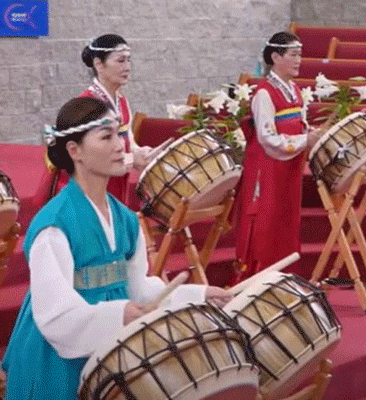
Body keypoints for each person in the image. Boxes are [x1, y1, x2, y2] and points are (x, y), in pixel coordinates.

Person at [2, 97, 232, 400]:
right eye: (106, 137)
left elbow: (137, 291)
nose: (119, 145)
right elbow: (55, 316)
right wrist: (120, 315)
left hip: (111, 349)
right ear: (75, 151)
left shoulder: (126, 220)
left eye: (119, 134)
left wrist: (197, 294)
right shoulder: (53, 226)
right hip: (55, 359)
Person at [232, 31, 320, 282]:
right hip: (266, 167)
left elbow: (299, 125)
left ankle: (285, 278)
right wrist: (305, 140)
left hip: (289, 166)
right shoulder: (264, 93)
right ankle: (257, 280)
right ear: (275, 57)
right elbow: (267, 137)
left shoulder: (294, 90)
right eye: (293, 55)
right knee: (265, 223)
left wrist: (309, 134)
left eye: (300, 55)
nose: (299, 60)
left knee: (286, 221)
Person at [51, 33, 165, 204]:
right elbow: (94, 157)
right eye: (120, 61)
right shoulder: (86, 105)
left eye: (128, 60)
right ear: (98, 64)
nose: (127, 67)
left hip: (116, 182)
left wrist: (141, 153)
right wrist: (133, 160)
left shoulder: (122, 101)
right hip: (87, 190)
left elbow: (128, 142)